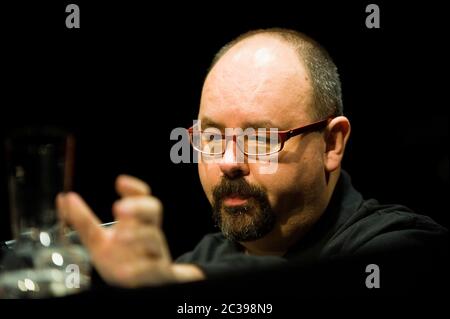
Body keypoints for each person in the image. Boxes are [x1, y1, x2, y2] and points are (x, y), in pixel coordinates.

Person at [57, 28, 448, 290]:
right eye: (211, 137)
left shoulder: (404, 247)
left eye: (259, 138)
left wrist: (182, 281)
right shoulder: (202, 257)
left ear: (332, 144)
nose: (228, 161)